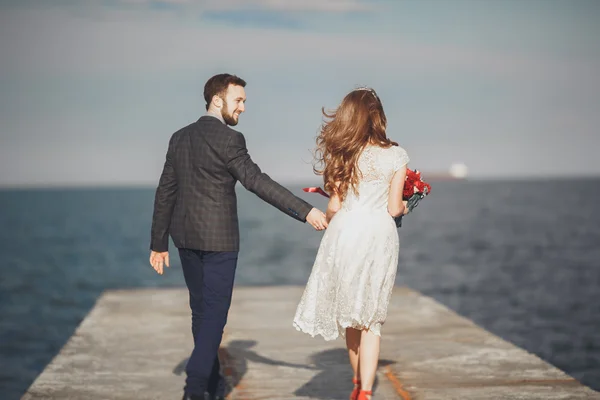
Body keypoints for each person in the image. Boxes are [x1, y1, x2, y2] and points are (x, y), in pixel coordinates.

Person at [149, 73, 328, 400]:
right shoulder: (230, 140)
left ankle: (214, 386)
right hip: (218, 242)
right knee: (214, 318)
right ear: (217, 100)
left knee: (201, 314)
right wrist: (307, 211)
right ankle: (193, 389)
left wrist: (158, 243)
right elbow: (257, 182)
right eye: (239, 100)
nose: (243, 107)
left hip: (184, 238)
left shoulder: (178, 137)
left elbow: (165, 193)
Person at [293, 87, 410, 400]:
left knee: (350, 315)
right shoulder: (397, 155)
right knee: (371, 318)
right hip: (378, 234)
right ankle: (367, 392)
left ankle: (357, 384)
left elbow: (334, 206)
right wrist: (407, 206)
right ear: (378, 116)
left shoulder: (343, 153)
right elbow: (393, 208)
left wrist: (332, 217)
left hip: (346, 232)